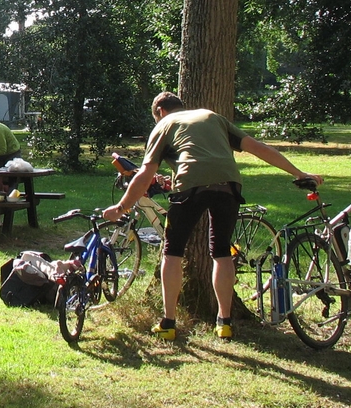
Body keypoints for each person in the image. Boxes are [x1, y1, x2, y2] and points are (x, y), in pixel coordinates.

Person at [104, 91, 322, 341]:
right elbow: (256, 147)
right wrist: (298, 172)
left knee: (172, 252)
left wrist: (121, 208)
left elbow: (145, 174)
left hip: (190, 186)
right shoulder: (212, 117)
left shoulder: (164, 124)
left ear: (160, 112)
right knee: (221, 252)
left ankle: (168, 322)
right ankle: (224, 321)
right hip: (228, 184)